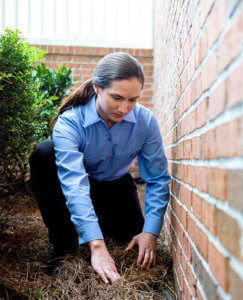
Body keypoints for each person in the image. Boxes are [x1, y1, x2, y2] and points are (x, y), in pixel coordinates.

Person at [29, 52, 171, 284]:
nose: (124, 108)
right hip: (76, 191)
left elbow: (157, 178)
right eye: (117, 98)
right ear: (97, 88)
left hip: (116, 188)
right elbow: (74, 183)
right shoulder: (70, 122)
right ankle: (64, 244)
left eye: (133, 100)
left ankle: (99, 230)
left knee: (130, 244)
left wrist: (151, 231)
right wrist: (96, 246)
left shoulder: (145, 121)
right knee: (44, 152)